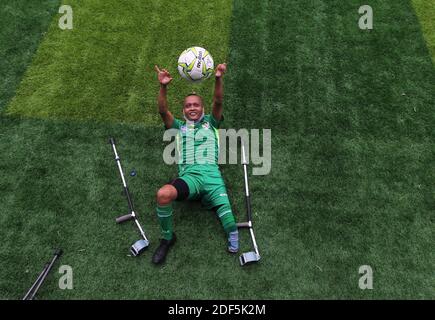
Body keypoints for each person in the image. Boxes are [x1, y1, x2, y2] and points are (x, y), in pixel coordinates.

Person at [152, 63, 238, 264]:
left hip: (213, 177)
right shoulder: (178, 127)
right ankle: (167, 238)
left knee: (231, 227)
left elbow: (218, 100)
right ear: (183, 110)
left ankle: (209, 201)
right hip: (189, 178)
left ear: (202, 108)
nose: (192, 108)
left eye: (196, 105)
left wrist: (218, 77)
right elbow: (163, 111)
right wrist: (163, 86)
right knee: (163, 194)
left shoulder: (211, 122)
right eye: (188, 105)